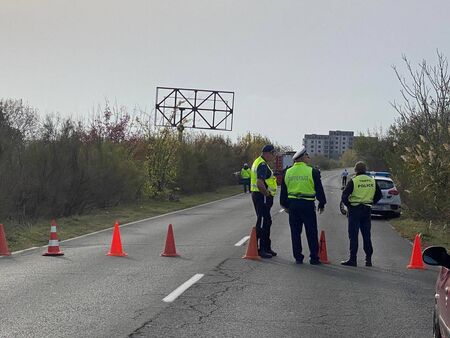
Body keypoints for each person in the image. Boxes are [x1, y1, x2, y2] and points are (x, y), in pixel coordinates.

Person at [280, 146, 327, 265]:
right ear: (302, 158)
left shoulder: (287, 172)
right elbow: (319, 190)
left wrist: (285, 206)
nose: (309, 158)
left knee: (295, 232)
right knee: (311, 231)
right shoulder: (313, 171)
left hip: (293, 205)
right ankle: (314, 258)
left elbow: (283, 192)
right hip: (307, 205)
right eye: (307, 156)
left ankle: (298, 257)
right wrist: (321, 203)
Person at [340, 161, 382, 267]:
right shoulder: (372, 181)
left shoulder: (354, 181)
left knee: (353, 235)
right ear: (365, 170)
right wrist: (371, 202)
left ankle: (353, 259)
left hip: (355, 210)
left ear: (355, 170)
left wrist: (349, 205)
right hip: (367, 210)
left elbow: (344, 196)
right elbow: (379, 195)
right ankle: (368, 260)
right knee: (366, 235)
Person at [250, 144, 278, 258]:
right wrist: (267, 194)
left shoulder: (260, 162)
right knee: (262, 222)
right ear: (267, 153)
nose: (273, 156)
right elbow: (260, 183)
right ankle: (261, 249)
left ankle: (266, 247)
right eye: (272, 154)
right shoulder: (262, 164)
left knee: (267, 221)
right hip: (262, 196)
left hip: (259, 195)